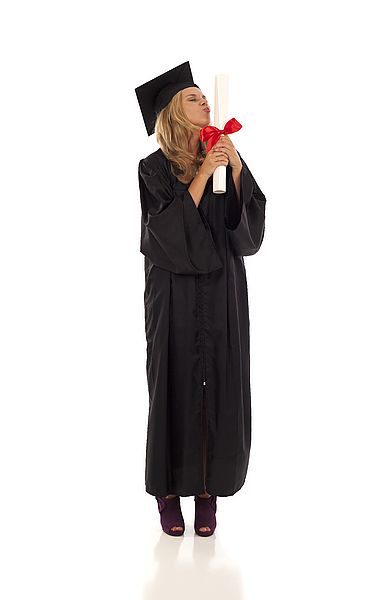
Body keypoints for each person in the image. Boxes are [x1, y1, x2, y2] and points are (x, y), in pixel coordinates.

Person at [135, 61, 266, 536]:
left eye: (203, 96)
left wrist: (230, 170)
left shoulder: (225, 152)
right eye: (192, 98)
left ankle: (208, 491)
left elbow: (247, 230)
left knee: (221, 382)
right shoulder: (152, 170)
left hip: (223, 291)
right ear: (172, 113)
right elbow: (163, 235)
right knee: (174, 383)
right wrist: (201, 174)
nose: (204, 101)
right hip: (173, 295)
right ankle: (169, 494)